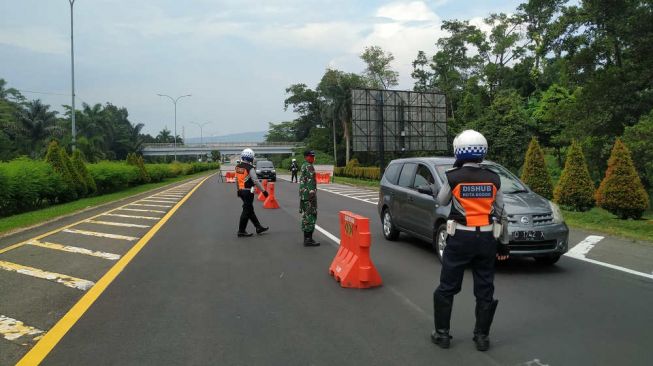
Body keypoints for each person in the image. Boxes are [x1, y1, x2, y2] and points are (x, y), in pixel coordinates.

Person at [431, 130, 509, 351]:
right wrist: (504, 242)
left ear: (459, 151)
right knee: (485, 288)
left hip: (460, 238)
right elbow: (502, 212)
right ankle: (482, 337)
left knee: (447, 287)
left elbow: (441, 200)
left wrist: (455, 174)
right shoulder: (494, 178)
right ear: (482, 152)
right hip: (486, 238)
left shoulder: (453, 176)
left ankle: (442, 335)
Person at [235, 148, 269, 237]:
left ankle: (258, 227)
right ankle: (241, 231)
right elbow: (256, 181)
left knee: (250, 210)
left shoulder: (238, 167)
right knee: (246, 211)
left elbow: (237, 179)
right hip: (248, 192)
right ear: (250, 158)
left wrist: (238, 190)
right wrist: (264, 191)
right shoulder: (250, 168)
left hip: (241, 191)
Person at [299, 150, 320, 246]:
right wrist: (312, 196)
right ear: (306, 157)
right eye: (311, 156)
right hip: (309, 196)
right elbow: (311, 183)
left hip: (303, 195)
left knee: (305, 216)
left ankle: (306, 238)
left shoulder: (303, 165)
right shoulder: (309, 167)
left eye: (313, 156)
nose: (313, 158)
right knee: (311, 216)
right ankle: (308, 239)